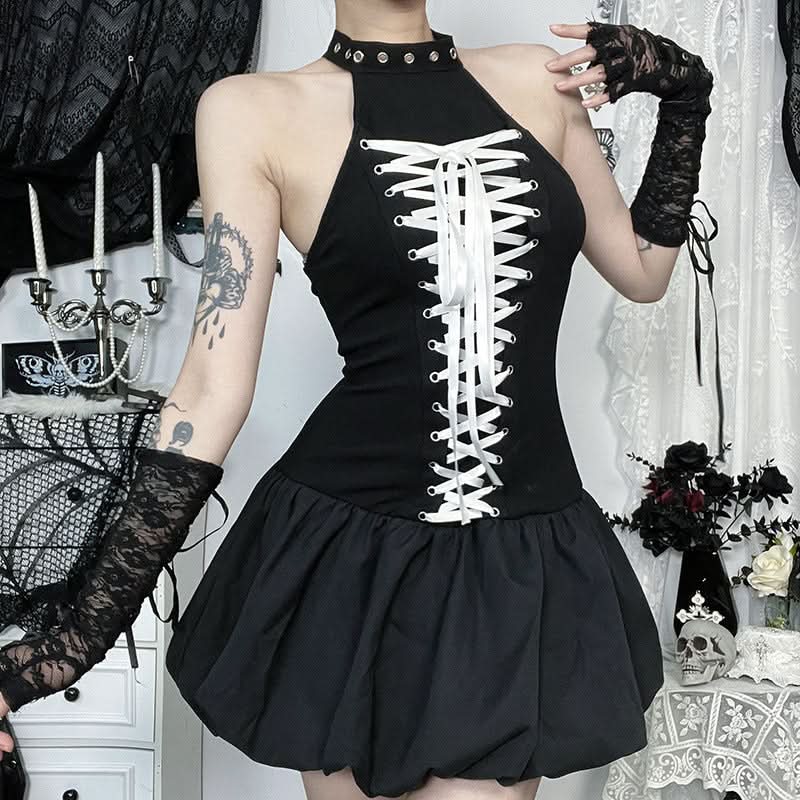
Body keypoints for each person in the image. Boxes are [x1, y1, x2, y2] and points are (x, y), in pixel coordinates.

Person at [0, 2, 714, 798]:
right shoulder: (251, 109)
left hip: (516, 557)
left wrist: (684, 94)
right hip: (348, 553)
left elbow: (643, 272)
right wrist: (75, 635)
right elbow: (210, 387)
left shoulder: (538, 80)